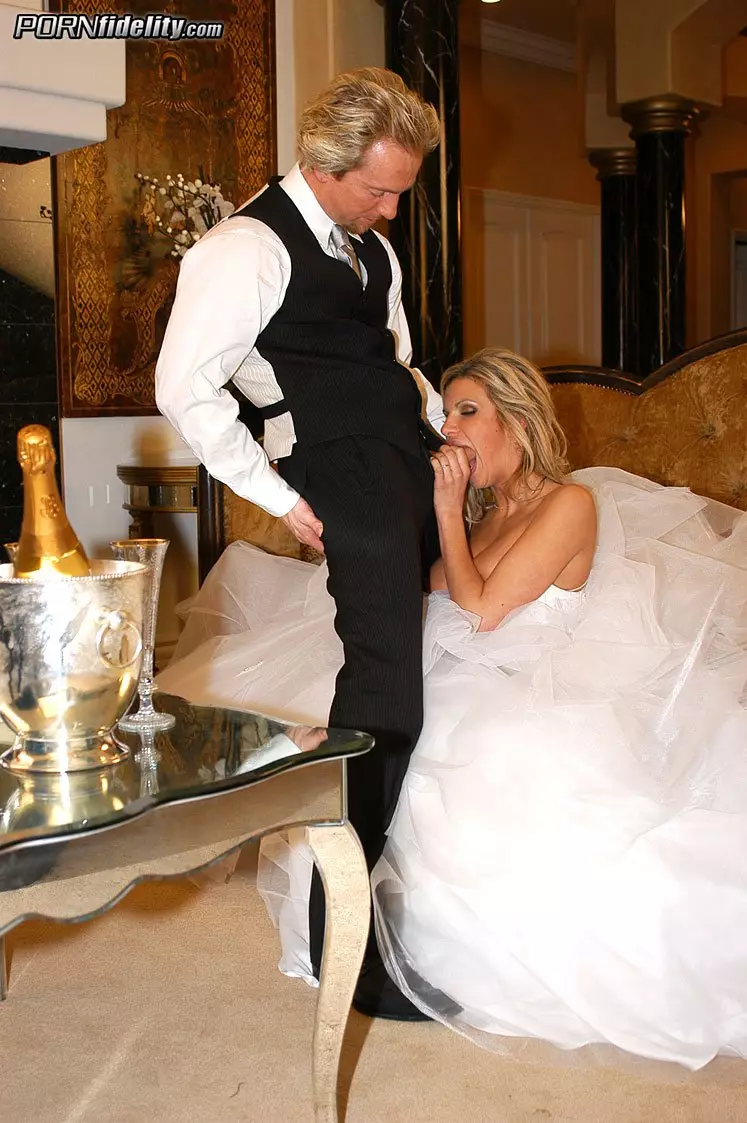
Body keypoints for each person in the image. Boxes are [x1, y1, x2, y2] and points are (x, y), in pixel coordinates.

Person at [159, 347, 747, 1069]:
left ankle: (431, 940)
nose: (451, 429)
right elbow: (421, 590)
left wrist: (443, 509)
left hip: (534, 680)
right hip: (457, 665)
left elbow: (481, 609)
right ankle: (357, 919)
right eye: (446, 414)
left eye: (468, 411)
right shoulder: (481, 516)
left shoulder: (570, 504)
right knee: (352, 713)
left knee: (465, 743)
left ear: (517, 421)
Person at [155, 67, 443, 1020]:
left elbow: (393, 364)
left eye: (400, 191)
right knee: (384, 703)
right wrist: (277, 494)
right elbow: (184, 388)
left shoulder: (373, 250)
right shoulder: (242, 248)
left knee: (412, 688)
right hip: (338, 473)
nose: (392, 211)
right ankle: (342, 946)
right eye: (380, 190)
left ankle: (381, 919)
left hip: (402, 464)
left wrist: (446, 433)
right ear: (323, 163)